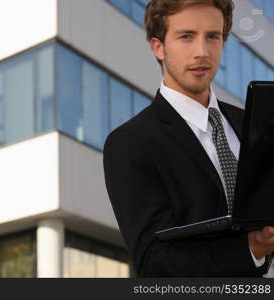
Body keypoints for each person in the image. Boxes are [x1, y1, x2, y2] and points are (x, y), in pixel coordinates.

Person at [103, 0, 274, 277]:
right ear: (159, 47)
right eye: (186, 36)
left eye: (212, 37)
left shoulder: (253, 124)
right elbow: (154, 261)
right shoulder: (129, 144)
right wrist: (251, 249)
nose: (202, 52)